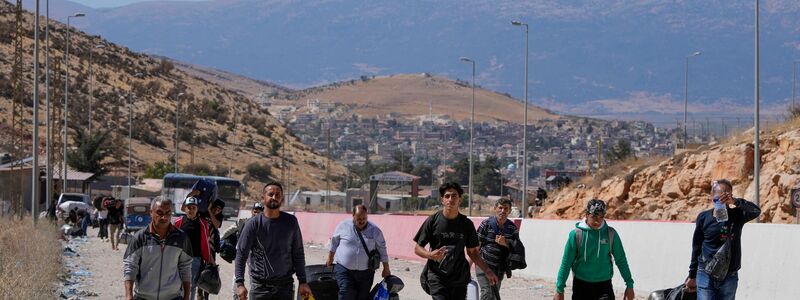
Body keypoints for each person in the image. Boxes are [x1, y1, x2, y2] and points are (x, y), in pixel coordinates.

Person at [414, 182, 498, 300]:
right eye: (447, 196)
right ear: (442, 200)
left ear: (460, 200)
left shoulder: (467, 224)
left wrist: (487, 271)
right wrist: (430, 255)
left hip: (459, 277)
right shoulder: (432, 221)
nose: (450, 199)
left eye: (454, 196)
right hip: (437, 276)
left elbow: (473, 252)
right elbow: (417, 248)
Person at [685, 179, 761, 300]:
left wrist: (735, 201)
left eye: (727, 195)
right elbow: (696, 246)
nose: (722, 199)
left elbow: (756, 211)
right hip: (705, 273)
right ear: (712, 196)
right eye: (720, 194)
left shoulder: (737, 215)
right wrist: (692, 274)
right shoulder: (704, 217)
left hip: (729, 275)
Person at [234, 182, 312, 300]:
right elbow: (241, 254)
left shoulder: (291, 222)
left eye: (277, 195)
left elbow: (298, 253)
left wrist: (303, 281)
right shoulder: (253, 224)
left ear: (282, 199)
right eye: (271, 194)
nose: (274, 197)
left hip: (285, 288)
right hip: (260, 288)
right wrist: (240, 284)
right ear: (263, 198)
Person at [554, 199, 634, 300]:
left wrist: (629, 285)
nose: (597, 221)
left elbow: (621, 260)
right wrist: (559, 289)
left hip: (604, 287)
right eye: (594, 217)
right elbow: (566, 262)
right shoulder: (576, 235)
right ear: (587, 215)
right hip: (581, 286)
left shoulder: (611, 234)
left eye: (601, 217)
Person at [123, 197, 193, 300]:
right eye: (159, 213)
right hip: (143, 297)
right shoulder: (140, 237)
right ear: (151, 212)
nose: (164, 217)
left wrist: (187, 296)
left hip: (173, 297)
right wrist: (128, 295)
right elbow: (130, 267)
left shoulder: (181, 238)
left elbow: (185, 268)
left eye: (168, 213)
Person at [326, 204, 391, 300]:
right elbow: (334, 242)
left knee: (362, 297)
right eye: (359, 218)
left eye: (364, 218)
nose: (362, 221)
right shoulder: (343, 226)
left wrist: (386, 268)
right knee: (346, 293)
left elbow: (382, 248)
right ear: (353, 216)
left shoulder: (375, 231)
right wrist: (330, 257)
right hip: (344, 269)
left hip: (366, 273)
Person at [475, 198, 520, 300]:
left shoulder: (512, 228)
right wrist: (467, 266)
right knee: (486, 293)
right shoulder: (486, 224)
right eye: (500, 208)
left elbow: (517, 248)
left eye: (506, 208)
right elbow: (475, 247)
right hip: (483, 265)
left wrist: (506, 243)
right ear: (495, 208)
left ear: (509, 211)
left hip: (499, 269)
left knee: (494, 295)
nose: (503, 211)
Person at [175, 196, 214, 300]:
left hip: (195, 260)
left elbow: (206, 243)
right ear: (185, 208)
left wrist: (209, 260)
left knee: (191, 287)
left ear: (197, 209)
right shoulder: (178, 222)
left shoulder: (202, 223)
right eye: (189, 207)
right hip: (179, 260)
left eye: (193, 208)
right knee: (177, 286)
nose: (191, 210)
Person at [224, 202, 264, 300]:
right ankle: (236, 295)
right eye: (255, 211)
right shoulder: (243, 222)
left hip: (254, 255)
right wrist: (221, 239)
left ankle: (252, 295)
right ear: (252, 211)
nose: (256, 213)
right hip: (242, 252)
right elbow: (230, 230)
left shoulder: (264, 225)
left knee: (253, 275)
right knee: (237, 275)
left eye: (259, 212)